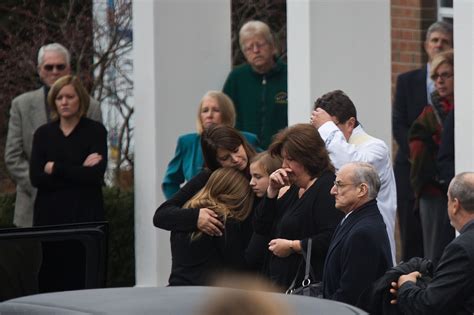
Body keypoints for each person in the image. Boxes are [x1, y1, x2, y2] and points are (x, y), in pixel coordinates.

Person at [5, 43, 103, 228]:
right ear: (39, 70)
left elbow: (96, 166)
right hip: (32, 210)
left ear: (69, 68)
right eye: (49, 67)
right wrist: (45, 188)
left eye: (60, 66)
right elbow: (13, 158)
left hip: (81, 208)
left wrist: (56, 176)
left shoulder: (91, 107)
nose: (55, 71)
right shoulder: (21, 105)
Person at [252, 124, 343, 289]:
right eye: (284, 159)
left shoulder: (326, 188)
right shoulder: (294, 188)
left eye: (290, 159)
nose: (285, 165)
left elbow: (331, 237)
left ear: (308, 157)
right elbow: (261, 227)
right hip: (281, 283)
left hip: (305, 287)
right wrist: (271, 192)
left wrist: (293, 246)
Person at [311, 90, 396, 264]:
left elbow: (351, 167)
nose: (324, 134)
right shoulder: (330, 146)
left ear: (350, 124)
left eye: (332, 127)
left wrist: (327, 128)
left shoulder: (376, 148)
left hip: (370, 239)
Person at [392, 21, 453, 261]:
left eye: (444, 41)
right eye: (434, 40)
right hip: (412, 169)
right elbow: (399, 123)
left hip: (442, 177)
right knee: (411, 236)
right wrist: (417, 154)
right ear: (426, 45)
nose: (438, 44)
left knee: (438, 242)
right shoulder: (408, 80)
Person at [390, 172, 474, 315]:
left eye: (447, 199)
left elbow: (428, 306)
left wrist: (406, 284)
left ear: (455, 205)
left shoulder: (460, 248)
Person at [29, 75, 107, 226]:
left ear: (80, 99)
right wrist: (80, 170)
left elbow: (95, 175)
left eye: (70, 97)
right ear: (54, 101)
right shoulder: (43, 134)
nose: (64, 102)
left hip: (86, 217)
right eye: (59, 98)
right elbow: (36, 178)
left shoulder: (95, 131)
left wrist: (55, 168)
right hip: (49, 218)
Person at [154, 124, 256, 238]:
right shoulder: (208, 177)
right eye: (225, 158)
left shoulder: (265, 166)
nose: (235, 159)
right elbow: (161, 215)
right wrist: (195, 217)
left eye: (236, 150)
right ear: (215, 162)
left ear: (243, 143)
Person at [162, 91, 260, 199]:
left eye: (216, 110)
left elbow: (267, 166)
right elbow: (170, 183)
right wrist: (185, 208)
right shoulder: (186, 142)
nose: (209, 115)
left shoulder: (248, 139)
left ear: (227, 114)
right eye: (205, 111)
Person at [166, 167, 255, 286]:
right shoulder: (222, 221)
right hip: (207, 296)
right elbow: (238, 268)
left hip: (176, 289)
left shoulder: (184, 216)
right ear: (235, 196)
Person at [322, 162, 392, 308]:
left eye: (340, 184)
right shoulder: (353, 219)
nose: (332, 190)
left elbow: (351, 296)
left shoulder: (363, 233)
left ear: (361, 190)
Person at [408, 50, 455, 266]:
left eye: (446, 75)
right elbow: (418, 156)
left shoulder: (461, 108)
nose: (440, 81)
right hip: (433, 191)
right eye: (436, 77)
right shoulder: (428, 115)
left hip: (458, 189)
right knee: (435, 253)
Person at [223, 20, 287, 149]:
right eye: (249, 47)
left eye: (260, 44)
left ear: (271, 45)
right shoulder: (236, 78)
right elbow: (225, 116)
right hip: (245, 152)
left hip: (283, 151)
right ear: (243, 52)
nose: (256, 50)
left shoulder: (289, 75)